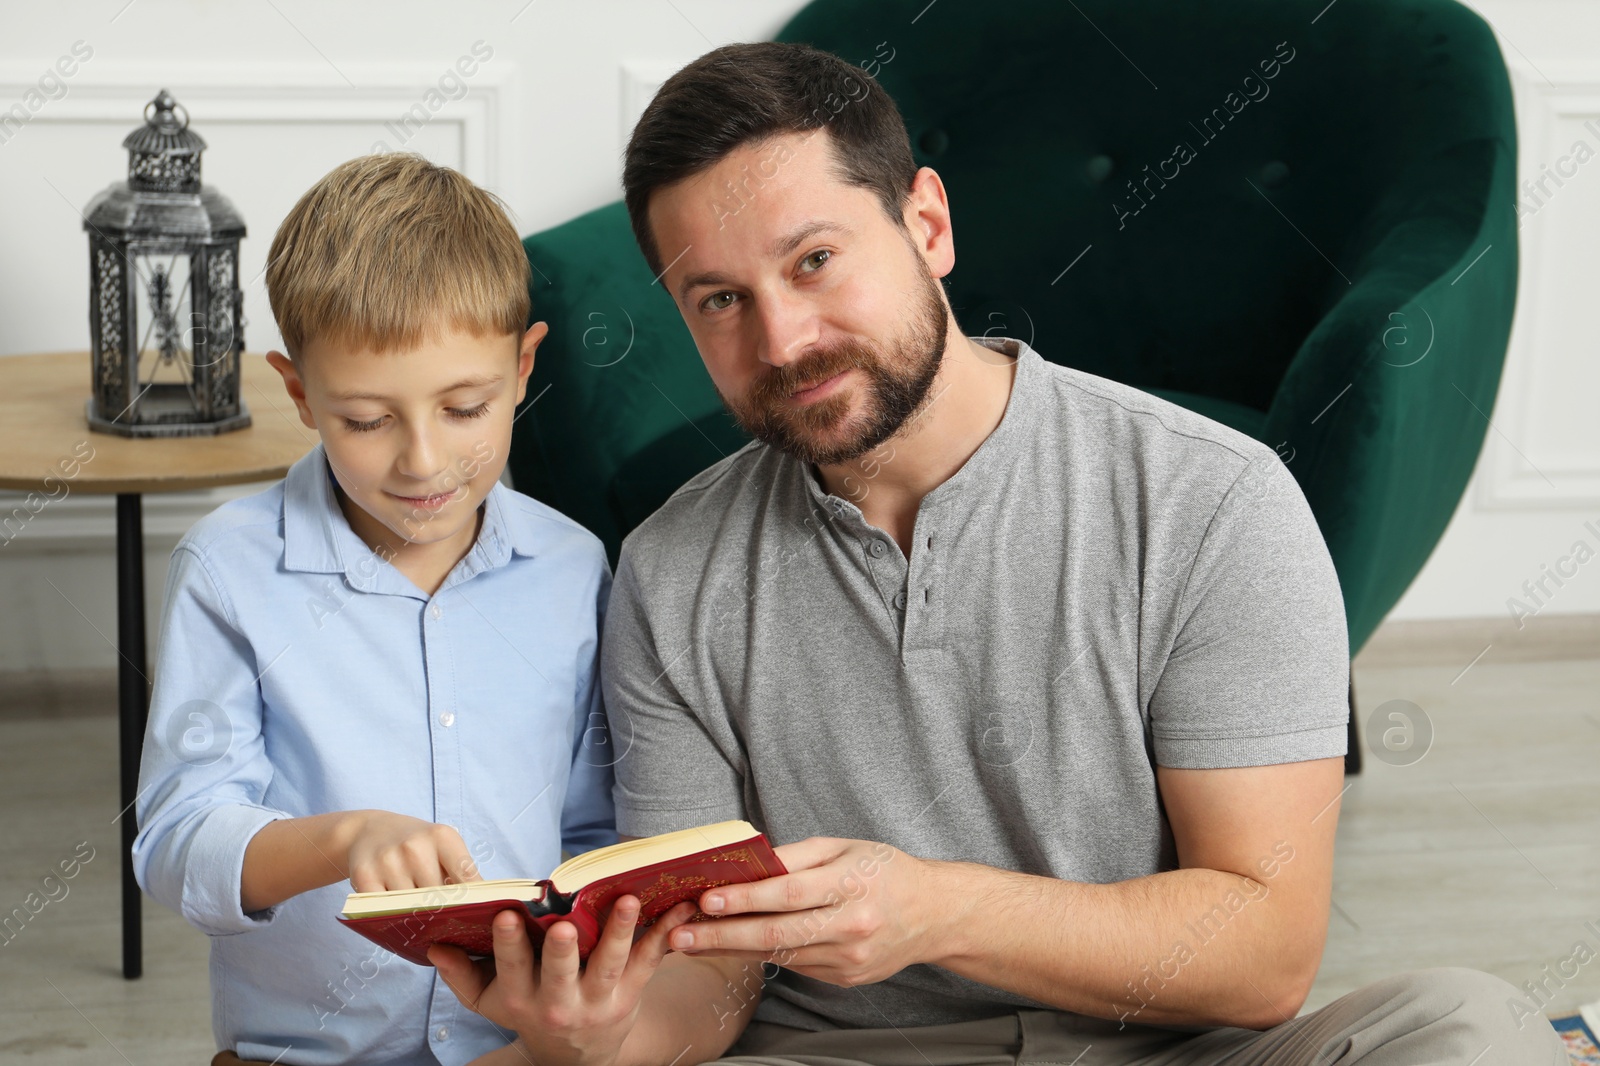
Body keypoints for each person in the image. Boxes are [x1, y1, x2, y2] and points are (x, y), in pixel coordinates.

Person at [440, 42, 1568, 1065]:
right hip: (827, 1056)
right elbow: (710, 975)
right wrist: (599, 1034)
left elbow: (1264, 954)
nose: (780, 339)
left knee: (1471, 1031)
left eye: (816, 260)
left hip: (1165, 1054)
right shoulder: (671, 568)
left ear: (926, 225)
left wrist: (934, 910)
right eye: (719, 299)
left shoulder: (1211, 500)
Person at [133, 153, 751, 1066]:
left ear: (523, 365)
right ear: (300, 393)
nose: (423, 462)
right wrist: (343, 841)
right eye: (367, 420)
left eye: (466, 407)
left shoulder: (573, 567)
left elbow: (591, 832)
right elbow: (180, 842)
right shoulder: (228, 573)